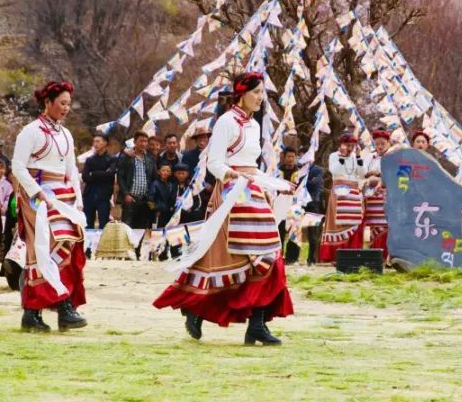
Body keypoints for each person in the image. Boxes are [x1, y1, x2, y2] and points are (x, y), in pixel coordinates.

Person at [154, 72, 293, 345]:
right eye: (256, 92)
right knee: (231, 261)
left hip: (253, 193)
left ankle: (257, 324)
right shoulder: (226, 122)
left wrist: (276, 184)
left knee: (269, 255)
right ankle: (197, 309)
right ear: (242, 94)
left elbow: (252, 167)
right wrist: (234, 177)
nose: (260, 98)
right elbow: (215, 163)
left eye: (262, 93)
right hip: (232, 195)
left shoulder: (254, 125)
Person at [10, 81, 87, 333]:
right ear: (48, 102)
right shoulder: (31, 131)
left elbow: (71, 170)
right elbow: (18, 166)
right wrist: (38, 192)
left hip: (63, 195)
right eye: (62, 103)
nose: (66, 108)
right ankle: (59, 306)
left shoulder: (66, 134)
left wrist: (78, 199)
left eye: (68, 104)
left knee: (68, 243)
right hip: (37, 194)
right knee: (46, 246)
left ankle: (42, 311)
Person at [319, 134, 366, 264]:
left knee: (355, 222)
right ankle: (336, 255)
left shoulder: (355, 156)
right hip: (339, 191)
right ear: (342, 145)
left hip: (354, 191)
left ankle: (353, 253)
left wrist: (358, 157)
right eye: (348, 145)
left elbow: (362, 173)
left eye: (352, 146)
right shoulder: (334, 156)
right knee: (339, 222)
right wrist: (343, 157)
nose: (350, 148)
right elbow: (334, 171)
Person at [116, 131, 157, 233]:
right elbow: (120, 177)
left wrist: (151, 197)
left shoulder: (150, 159)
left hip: (144, 200)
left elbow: (154, 179)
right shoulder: (126, 157)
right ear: (135, 142)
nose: (143, 144)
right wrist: (126, 194)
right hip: (130, 199)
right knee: (127, 230)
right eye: (141, 141)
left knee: (141, 230)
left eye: (145, 141)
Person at [363, 129, 392, 256]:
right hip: (371, 197)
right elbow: (362, 173)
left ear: (389, 143)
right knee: (371, 224)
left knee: (385, 224)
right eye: (377, 144)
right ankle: (372, 254)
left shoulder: (393, 157)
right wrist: (368, 174)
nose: (380, 147)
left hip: (386, 196)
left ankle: (386, 254)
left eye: (383, 144)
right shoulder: (370, 157)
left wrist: (379, 174)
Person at [81, 133, 116, 230]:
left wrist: (93, 174)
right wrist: (102, 174)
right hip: (89, 194)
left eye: (98, 141)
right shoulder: (90, 159)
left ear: (105, 143)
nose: (95, 144)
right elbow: (85, 177)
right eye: (94, 141)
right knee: (87, 224)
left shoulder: (111, 159)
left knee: (104, 225)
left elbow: (110, 174)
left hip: (103, 195)